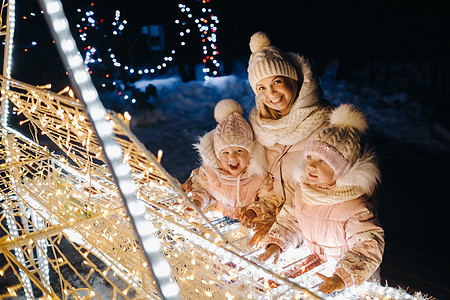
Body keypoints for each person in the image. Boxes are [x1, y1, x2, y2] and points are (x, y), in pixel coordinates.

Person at [258, 104, 385, 294]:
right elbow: (290, 222)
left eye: (322, 161)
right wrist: (277, 244)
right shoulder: (303, 193)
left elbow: (367, 245)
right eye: (309, 157)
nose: (311, 166)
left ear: (341, 168)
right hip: (314, 268)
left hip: (344, 282)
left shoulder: (354, 206)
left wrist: (342, 277)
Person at [246, 32, 332, 245]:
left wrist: (282, 227)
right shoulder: (263, 130)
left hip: (321, 238)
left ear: (292, 80)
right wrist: (260, 210)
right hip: (284, 237)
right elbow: (273, 187)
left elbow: (332, 199)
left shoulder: (327, 125)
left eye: (277, 81)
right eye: (262, 88)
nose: (271, 93)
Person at [183, 99, 279, 225]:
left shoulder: (258, 177)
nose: (232, 157)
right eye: (225, 153)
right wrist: (197, 202)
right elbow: (201, 188)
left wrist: (254, 211)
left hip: (245, 224)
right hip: (217, 219)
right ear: (217, 156)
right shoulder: (211, 173)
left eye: (239, 151)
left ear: (249, 153)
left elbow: (269, 199)